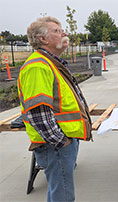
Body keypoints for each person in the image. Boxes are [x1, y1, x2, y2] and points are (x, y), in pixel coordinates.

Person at [18, 16, 92, 202]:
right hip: (55, 146)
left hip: (60, 144)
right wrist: (61, 142)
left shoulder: (51, 63)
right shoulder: (38, 67)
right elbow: (38, 112)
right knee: (63, 197)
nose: (64, 33)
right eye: (57, 31)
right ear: (42, 39)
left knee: (60, 194)